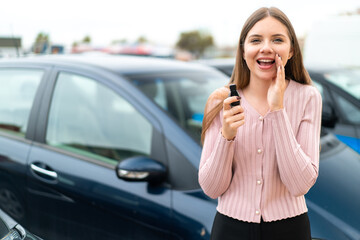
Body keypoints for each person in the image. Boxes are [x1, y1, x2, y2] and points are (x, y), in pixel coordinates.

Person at [198, 7, 322, 240]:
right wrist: (227, 136)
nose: (266, 47)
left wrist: (277, 111)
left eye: (277, 39)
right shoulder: (220, 100)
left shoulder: (309, 97)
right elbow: (211, 188)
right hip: (230, 229)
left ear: (292, 49)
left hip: (290, 229)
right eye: (256, 40)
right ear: (243, 49)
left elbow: (299, 185)